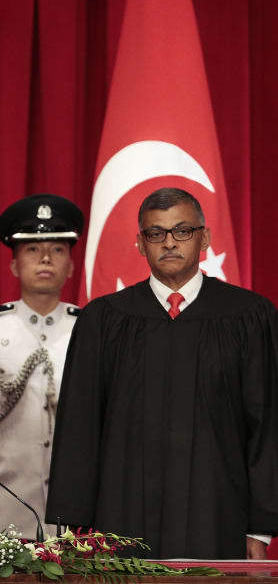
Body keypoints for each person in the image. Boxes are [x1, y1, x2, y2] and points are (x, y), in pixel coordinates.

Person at [46, 187, 278, 559]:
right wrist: (73, 527)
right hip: (121, 516)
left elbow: (266, 426)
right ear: (140, 243)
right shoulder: (104, 320)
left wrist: (261, 528)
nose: (169, 243)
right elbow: (81, 426)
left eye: (182, 231)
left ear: (205, 237)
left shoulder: (250, 316)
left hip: (218, 514)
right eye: (156, 233)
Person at [0, 194, 83, 538]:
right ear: (14, 264)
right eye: (32, 249)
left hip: (73, 512)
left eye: (58, 249)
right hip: (1, 507)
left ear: (71, 265)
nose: (45, 258)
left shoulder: (89, 328)